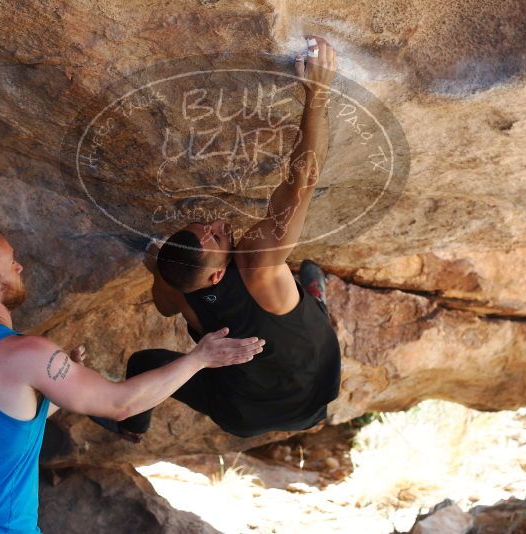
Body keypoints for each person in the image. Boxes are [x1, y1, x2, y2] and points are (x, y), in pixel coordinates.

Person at [0, 224, 264, 534]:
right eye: (11, 262)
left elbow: (2, 424)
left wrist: (53, 391)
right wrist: (199, 358)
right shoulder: (24, 353)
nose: (19, 266)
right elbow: (121, 404)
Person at [93, 35, 341, 441]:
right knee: (296, 298)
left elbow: (163, 303)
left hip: (241, 413)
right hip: (315, 392)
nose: (218, 224)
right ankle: (313, 299)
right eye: (215, 237)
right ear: (215, 275)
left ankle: (130, 427)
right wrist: (318, 93)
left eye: (202, 227)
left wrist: (158, 268)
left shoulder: (176, 289)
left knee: (143, 364)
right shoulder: (257, 266)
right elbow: (302, 183)